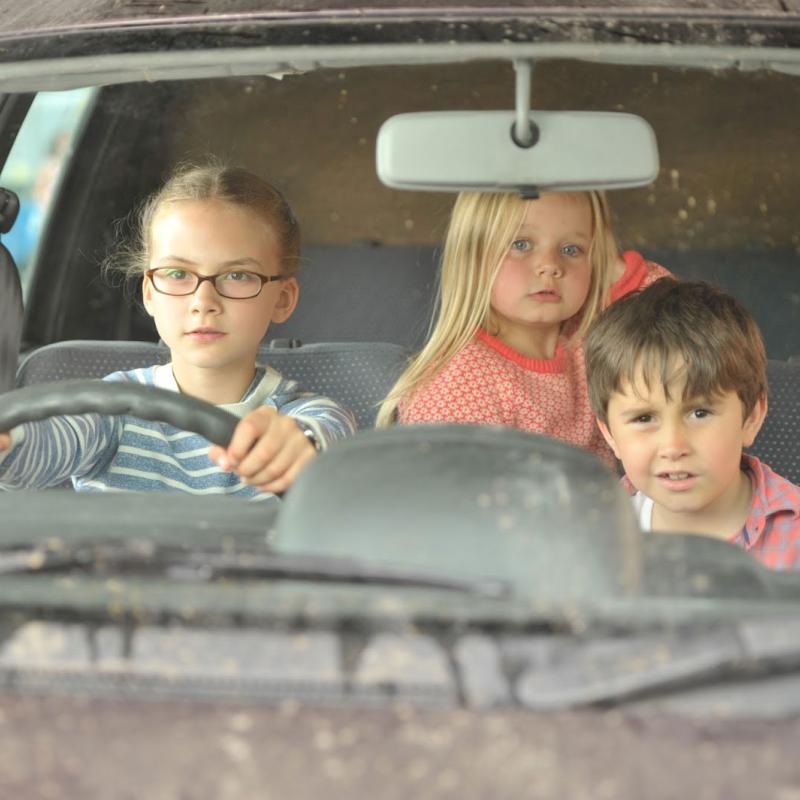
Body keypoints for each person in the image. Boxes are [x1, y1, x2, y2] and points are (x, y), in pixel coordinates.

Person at [0, 162, 356, 500]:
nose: (204, 301)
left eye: (236, 275)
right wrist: (8, 441)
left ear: (282, 299)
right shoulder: (110, 407)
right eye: (177, 273)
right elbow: (38, 450)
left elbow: (325, 440)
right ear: (149, 293)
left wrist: (296, 444)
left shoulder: (310, 415)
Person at [376, 190, 671, 467]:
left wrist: (607, 263)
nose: (550, 266)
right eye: (520, 244)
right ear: (473, 257)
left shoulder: (591, 334)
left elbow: (673, 317)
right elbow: (453, 503)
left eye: (572, 249)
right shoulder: (461, 385)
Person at [585, 277, 800, 570]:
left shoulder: (794, 537)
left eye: (699, 413)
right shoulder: (595, 532)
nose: (673, 447)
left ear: (750, 417)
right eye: (644, 418)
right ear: (610, 434)